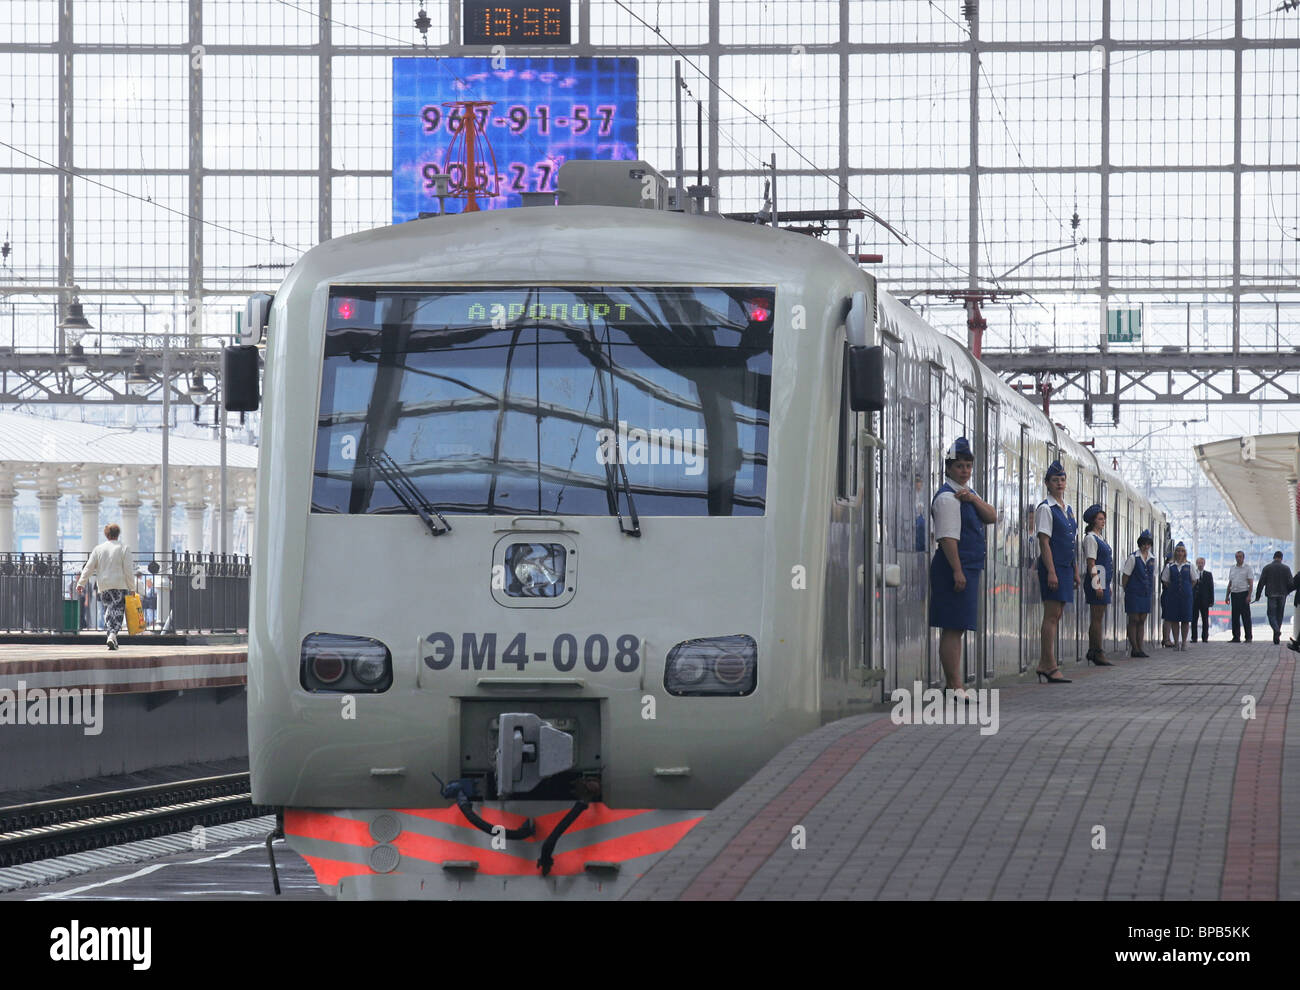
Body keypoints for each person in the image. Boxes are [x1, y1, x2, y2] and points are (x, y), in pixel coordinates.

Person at [928, 437, 996, 701]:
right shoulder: (947, 499)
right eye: (959, 466)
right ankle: (955, 685)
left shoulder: (968, 494)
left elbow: (991, 516)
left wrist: (972, 500)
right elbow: (947, 538)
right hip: (954, 568)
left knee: (958, 626)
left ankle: (954, 684)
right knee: (953, 627)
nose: (965, 471)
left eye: (968, 466)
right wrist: (957, 570)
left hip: (966, 567)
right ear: (948, 468)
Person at [1035, 460, 1077, 683]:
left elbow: (1071, 543)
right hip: (1053, 568)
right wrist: (1051, 571)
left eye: (1062, 479)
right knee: (1051, 616)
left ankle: (1046, 662)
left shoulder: (1067, 510)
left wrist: (1075, 571)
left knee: (1057, 615)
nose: (1059, 483)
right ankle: (1048, 664)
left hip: (1065, 568)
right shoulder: (1046, 509)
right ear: (1047, 484)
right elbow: (1044, 542)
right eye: (1055, 480)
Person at [75, 523, 136, 650]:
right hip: (120, 585)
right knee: (118, 611)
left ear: (106, 534)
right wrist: (132, 588)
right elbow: (128, 571)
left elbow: (89, 567)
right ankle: (113, 634)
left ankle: (112, 639)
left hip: (104, 586)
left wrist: (81, 583)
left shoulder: (98, 549)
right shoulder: (124, 548)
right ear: (118, 534)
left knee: (109, 610)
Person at [1081, 503, 1114, 666]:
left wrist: (1107, 584)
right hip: (1096, 582)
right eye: (1100, 519)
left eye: (1104, 519)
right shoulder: (1090, 538)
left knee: (1098, 618)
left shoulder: (1100, 538)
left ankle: (1094, 650)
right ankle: (1096, 651)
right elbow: (1091, 563)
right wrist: (1097, 584)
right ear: (1093, 521)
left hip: (1102, 582)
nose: (1103, 521)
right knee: (1096, 618)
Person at [1121, 530, 1156, 658]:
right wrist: (1127, 590)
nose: (1146, 546)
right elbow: (1125, 576)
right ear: (1140, 544)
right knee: (1134, 619)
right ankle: (1134, 648)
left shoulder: (1152, 559)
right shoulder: (1133, 558)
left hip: (1145, 593)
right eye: (1144, 543)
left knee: (1142, 620)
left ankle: (1140, 647)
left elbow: (1153, 576)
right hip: (1134, 593)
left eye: (1148, 544)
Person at [1160, 542, 1198, 650]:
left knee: (1185, 619)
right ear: (1175, 552)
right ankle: (1176, 642)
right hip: (1173, 596)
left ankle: (1184, 642)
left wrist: (1187, 588)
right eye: (1177, 551)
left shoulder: (1189, 565)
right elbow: (1165, 580)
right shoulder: (1170, 566)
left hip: (1186, 596)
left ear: (1185, 553)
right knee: (1174, 619)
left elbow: (1194, 580)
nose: (1180, 553)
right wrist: (1174, 588)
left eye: (1182, 551)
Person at [1254, 551, 1294, 644]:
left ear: (1273, 557)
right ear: (1281, 558)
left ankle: (1276, 631)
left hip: (1271, 595)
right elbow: (1291, 584)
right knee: (1279, 615)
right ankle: (1276, 635)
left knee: (1271, 615)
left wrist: (1258, 596)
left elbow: (1261, 583)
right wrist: (1287, 592)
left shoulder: (1267, 568)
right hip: (1282, 595)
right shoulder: (1286, 568)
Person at [1226, 550, 1254, 642]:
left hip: (1244, 593)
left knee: (1246, 616)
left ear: (1243, 557)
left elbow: (1250, 583)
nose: (1238, 558)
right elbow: (1230, 583)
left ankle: (1248, 637)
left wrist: (1249, 596)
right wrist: (1227, 595)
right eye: (1237, 557)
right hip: (1234, 594)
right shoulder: (1232, 568)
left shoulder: (1247, 568)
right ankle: (1236, 637)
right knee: (1235, 617)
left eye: (1240, 557)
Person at [1192, 557, 1214, 642]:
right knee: (1194, 619)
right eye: (1199, 563)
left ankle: (1205, 637)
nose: (1200, 564)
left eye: (1202, 563)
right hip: (1195, 600)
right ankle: (1194, 638)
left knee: (1205, 619)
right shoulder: (1193, 573)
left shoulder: (1208, 575)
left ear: (1204, 564)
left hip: (1205, 600)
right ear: (1196, 564)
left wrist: (1211, 600)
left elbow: (1211, 588)